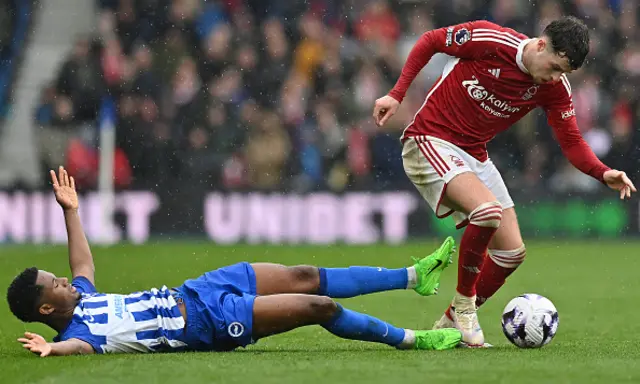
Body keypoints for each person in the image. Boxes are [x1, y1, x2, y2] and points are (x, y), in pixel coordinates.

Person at [372, 16, 637, 347]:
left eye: (563, 73)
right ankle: (466, 306)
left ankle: (451, 322)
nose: (555, 77)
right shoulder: (490, 40)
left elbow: (570, 142)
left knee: (511, 252)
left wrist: (602, 172)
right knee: (487, 212)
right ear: (541, 45)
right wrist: (397, 94)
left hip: (473, 153)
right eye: (554, 67)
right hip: (430, 138)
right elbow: (431, 40)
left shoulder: (553, 88)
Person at [8, 166, 461, 356]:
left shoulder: (83, 296)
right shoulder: (80, 332)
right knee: (320, 309)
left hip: (197, 289)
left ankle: (413, 276)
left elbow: (83, 262)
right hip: (207, 325)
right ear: (46, 309)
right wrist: (52, 348)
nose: (66, 280)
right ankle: (413, 340)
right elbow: (78, 349)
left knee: (303, 275)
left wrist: (71, 211)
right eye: (56, 284)